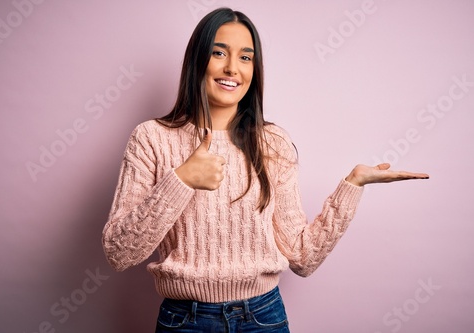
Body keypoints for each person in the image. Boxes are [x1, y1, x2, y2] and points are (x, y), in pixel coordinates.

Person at [101, 7, 429, 333]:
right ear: (197, 60)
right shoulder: (150, 138)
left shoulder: (272, 142)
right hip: (184, 320)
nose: (232, 68)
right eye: (219, 53)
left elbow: (303, 257)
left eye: (246, 57)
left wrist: (353, 184)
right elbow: (119, 253)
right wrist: (182, 179)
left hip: (262, 317)